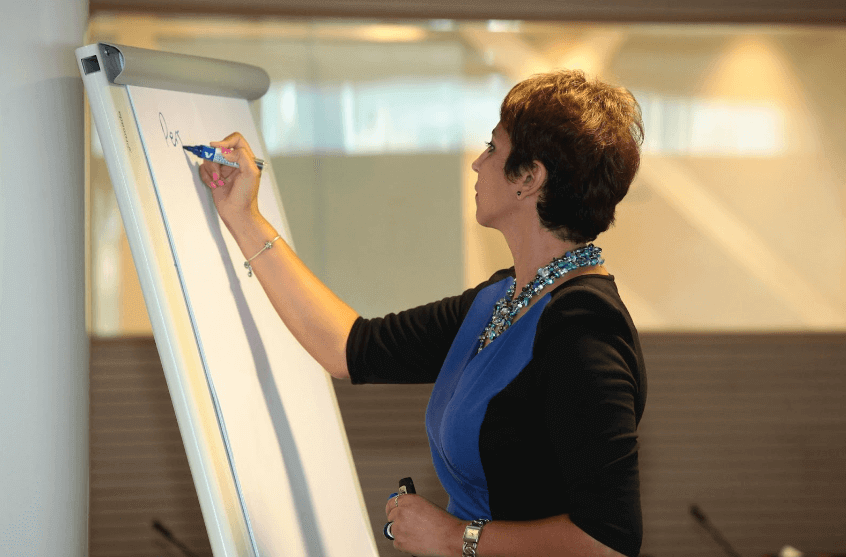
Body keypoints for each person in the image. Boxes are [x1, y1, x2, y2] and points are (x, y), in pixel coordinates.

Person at [198, 69, 646, 557]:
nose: (478, 163)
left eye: (494, 149)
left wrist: (457, 538)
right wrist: (244, 217)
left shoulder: (583, 331)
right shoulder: (501, 299)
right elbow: (350, 348)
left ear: (530, 178)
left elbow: (609, 540)